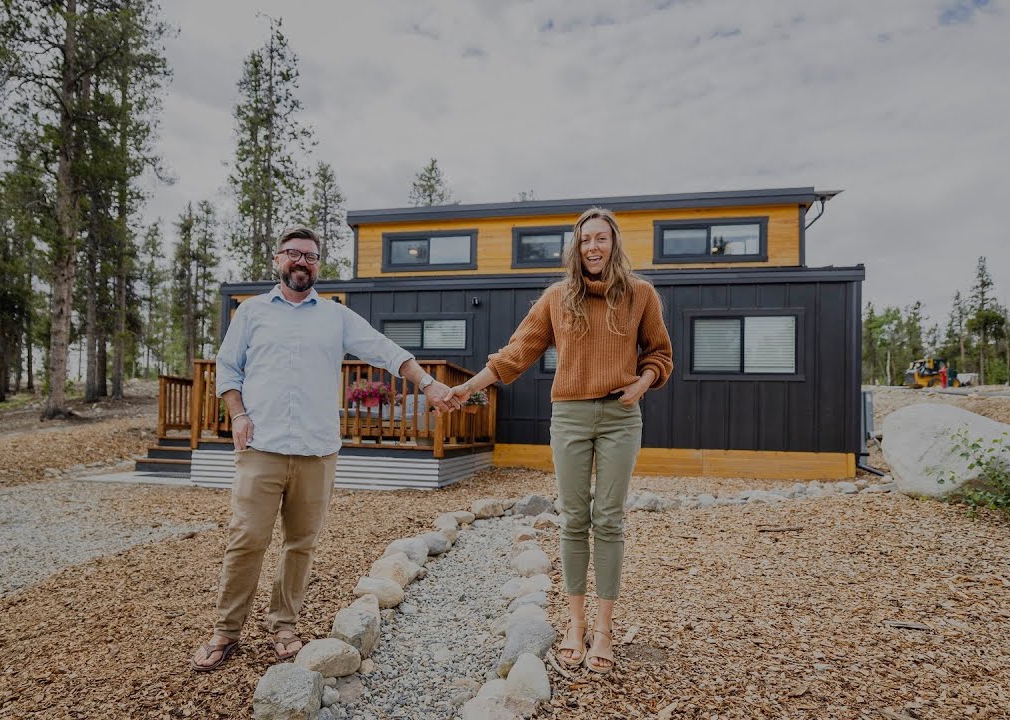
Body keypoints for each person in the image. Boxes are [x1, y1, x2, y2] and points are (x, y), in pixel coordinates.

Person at [190, 226, 461, 672]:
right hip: (261, 447)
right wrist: (237, 415)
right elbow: (228, 368)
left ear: (317, 265)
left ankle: (284, 627)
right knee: (246, 540)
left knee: (301, 545)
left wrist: (428, 384)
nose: (301, 262)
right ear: (278, 260)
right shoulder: (252, 312)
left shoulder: (336, 317)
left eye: (310, 256)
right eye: (293, 253)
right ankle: (226, 631)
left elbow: (385, 350)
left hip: (317, 451)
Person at [445, 207, 672, 674]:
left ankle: (603, 630)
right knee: (573, 519)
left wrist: (643, 382)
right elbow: (516, 353)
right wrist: (469, 386)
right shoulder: (557, 298)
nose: (593, 246)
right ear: (576, 247)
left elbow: (660, 353)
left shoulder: (641, 294)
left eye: (601, 238)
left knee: (608, 520)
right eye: (585, 239)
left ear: (614, 243)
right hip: (569, 416)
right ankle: (575, 623)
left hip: (620, 415)